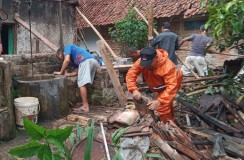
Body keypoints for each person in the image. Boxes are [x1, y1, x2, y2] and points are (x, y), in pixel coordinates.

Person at [126, 47, 182, 123]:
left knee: (162, 105)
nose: (147, 66)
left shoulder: (168, 67)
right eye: (145, 64)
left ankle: (167, 125)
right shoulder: (142, 60)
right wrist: (134, 89)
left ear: (156, 58)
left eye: (149, 63)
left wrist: (159, 100)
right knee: (166, 102)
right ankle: (171, 119)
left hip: (173, 81)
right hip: (158, 83)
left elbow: (171, 87)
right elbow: (131, 74)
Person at [53, 44, 99, 112]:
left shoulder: (67, 47)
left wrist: (60, 72)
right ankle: (86, 103)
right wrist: (67, 75)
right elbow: (77, 72)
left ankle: (85, 106)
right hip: (93, 61)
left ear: (60, 53)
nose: (60, 58)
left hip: (85, 61)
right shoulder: (74, 60)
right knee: (85, 83)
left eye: (58, 56)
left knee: (81, 84)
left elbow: (66, 60)